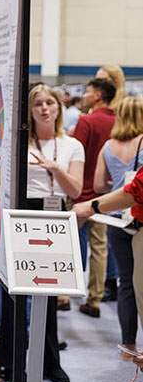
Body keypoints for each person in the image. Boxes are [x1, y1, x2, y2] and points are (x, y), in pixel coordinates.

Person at [0, 83, 83, 382]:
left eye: (50, 103)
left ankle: (50, 361)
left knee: (48, 293)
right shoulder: (19, 142)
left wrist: (54, 168)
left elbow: (75, 190)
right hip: (21, 212)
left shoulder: (72, 145)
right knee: (14, 293)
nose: (45, 108)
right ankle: (11, 363)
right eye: (38, 104)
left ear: (59, 107)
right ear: (30, 109)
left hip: (56, 213)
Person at [90, 96, 143, 357]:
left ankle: (128, 345)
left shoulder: (108, 147)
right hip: (139, 218)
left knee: (126, 282)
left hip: (115, 218)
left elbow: (99, 185)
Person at [72, 78, 117, 318]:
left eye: (86, 92)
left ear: (97, 95)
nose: (84, 95)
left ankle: (60, 295)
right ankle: (95, 300)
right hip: (105, 197)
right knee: (99, 248)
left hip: (79, 195)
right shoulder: (118, 123)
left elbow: (74, 156)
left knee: (68, 246)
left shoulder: (85, 121)